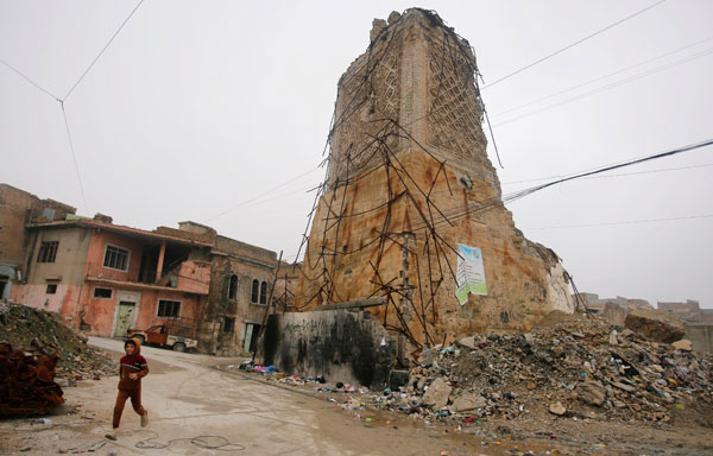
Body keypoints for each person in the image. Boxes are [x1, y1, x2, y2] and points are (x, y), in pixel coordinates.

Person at [106, 338, 149, 440]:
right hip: (123, 389)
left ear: (137, 348)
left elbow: (146, 370)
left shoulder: (140, 359)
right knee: (118, 408)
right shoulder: (123, 359)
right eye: (127, 346)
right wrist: (122, 380)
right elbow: (121, 372)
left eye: (132, 347)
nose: (129, 349)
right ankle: (115, 430)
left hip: (135, 389)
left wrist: (138, 375)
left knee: (137, 407)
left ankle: (143, 413)